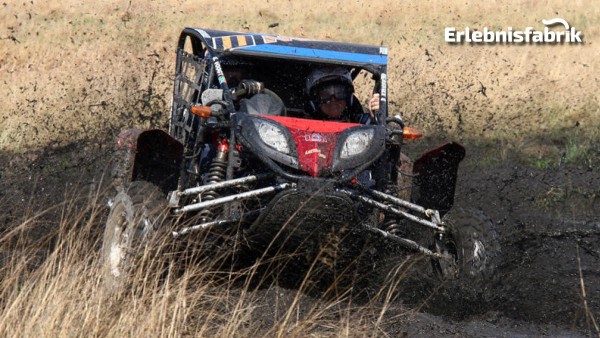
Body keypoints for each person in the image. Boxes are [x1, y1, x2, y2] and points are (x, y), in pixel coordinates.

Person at [305, 66, 380, 123]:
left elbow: (375, 129)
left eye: (339, 92)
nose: (333, 99)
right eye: (325, 94)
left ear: (348, 97)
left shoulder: (360, 123)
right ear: (315, 100)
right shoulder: (304, 124)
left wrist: (375, 117)